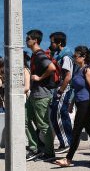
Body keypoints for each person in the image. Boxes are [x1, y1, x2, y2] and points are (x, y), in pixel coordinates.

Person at [54, 46, 90, 167]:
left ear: (83, 57)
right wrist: (71, 104)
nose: (74, 58)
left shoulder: (88, 70)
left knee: (76, 131)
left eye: (76, 56)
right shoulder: (78, 70)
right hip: (80, 103)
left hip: (86, 104)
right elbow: (77, 90)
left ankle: (68, 159)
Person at [25, 29, 56, 162]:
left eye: (28, 39)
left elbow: (52, 68)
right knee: (24, 120)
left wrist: (39, 77)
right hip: (34, 94)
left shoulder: (39, 55)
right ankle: (34, 148)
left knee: (43, 124)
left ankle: (49, 152)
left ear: (35, 40)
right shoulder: (34, 55)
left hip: (41, 95)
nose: (26, 41)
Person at [49, 31, 75, 155]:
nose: (50, 44)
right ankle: (66, 142)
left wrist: (60, 91)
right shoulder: (60, 54)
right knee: (56, 115)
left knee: (59, 115)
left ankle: (66, 143)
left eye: (52, 42)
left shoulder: (65, 57)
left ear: (59, 42)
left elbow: (68, 76)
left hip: (63, 89)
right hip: (61, 89)